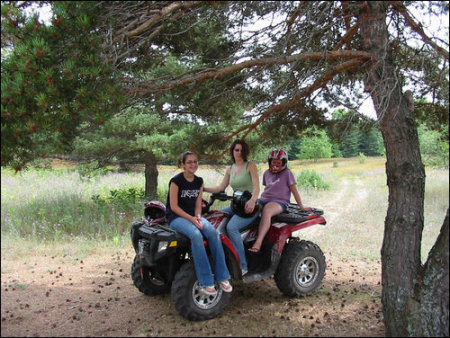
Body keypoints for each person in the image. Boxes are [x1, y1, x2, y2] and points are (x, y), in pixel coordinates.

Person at [166, 151, 232, 296]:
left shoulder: (199, 181)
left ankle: (223, 276)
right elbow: (174, 207)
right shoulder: (176, 181)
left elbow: (198, 203)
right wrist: (192, 220)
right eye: (189, 162)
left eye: (195, 161)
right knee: (196, 235)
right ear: (182, 164)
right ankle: (206, 281)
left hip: (193, 216)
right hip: (176, 218)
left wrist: (197, 216)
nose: (193, 164)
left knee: (214, 233)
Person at [204, 139, 260, 276]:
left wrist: (252, 201)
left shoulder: (250, 166)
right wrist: (203, 188)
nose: (239, 153)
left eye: (241, 150)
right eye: (236, 150)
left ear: (245, 152)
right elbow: (220, 187)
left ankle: (242, 265)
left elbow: (257, 187)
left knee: (231, 227)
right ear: (232, 151)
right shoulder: (230, 168)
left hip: (249, 207)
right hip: (236, 206)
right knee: (213, 216)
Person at [248, 148, 312, 253]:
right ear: (270, 162)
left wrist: (302, 206)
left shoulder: (287, 173)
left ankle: (258, 242)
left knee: (267, 211)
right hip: (264, 199)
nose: (275, 164)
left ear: (284, 163)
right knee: (250, 208)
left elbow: (294, 191)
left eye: (278, 162)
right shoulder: (266, 173)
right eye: (273, 162)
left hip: (280, 202)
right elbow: (267, 189)